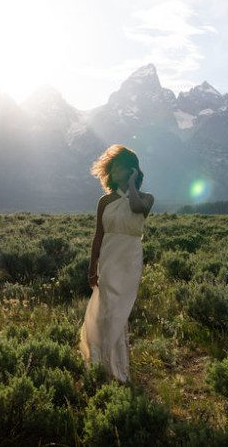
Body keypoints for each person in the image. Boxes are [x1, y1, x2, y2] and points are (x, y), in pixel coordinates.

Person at [79, 144, 155, 384]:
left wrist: (131, 184)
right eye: (114, 168)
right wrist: (92, 267)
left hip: (130, 260)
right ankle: (103, 365)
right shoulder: (105, 201)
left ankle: (117, 368)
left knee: (119, 312)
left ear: (133, 170)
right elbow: (98, 236)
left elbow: (135, 208)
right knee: (106, 311)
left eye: (122, 168)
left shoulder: (146, 198)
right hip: (109, 258)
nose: (116, 172)